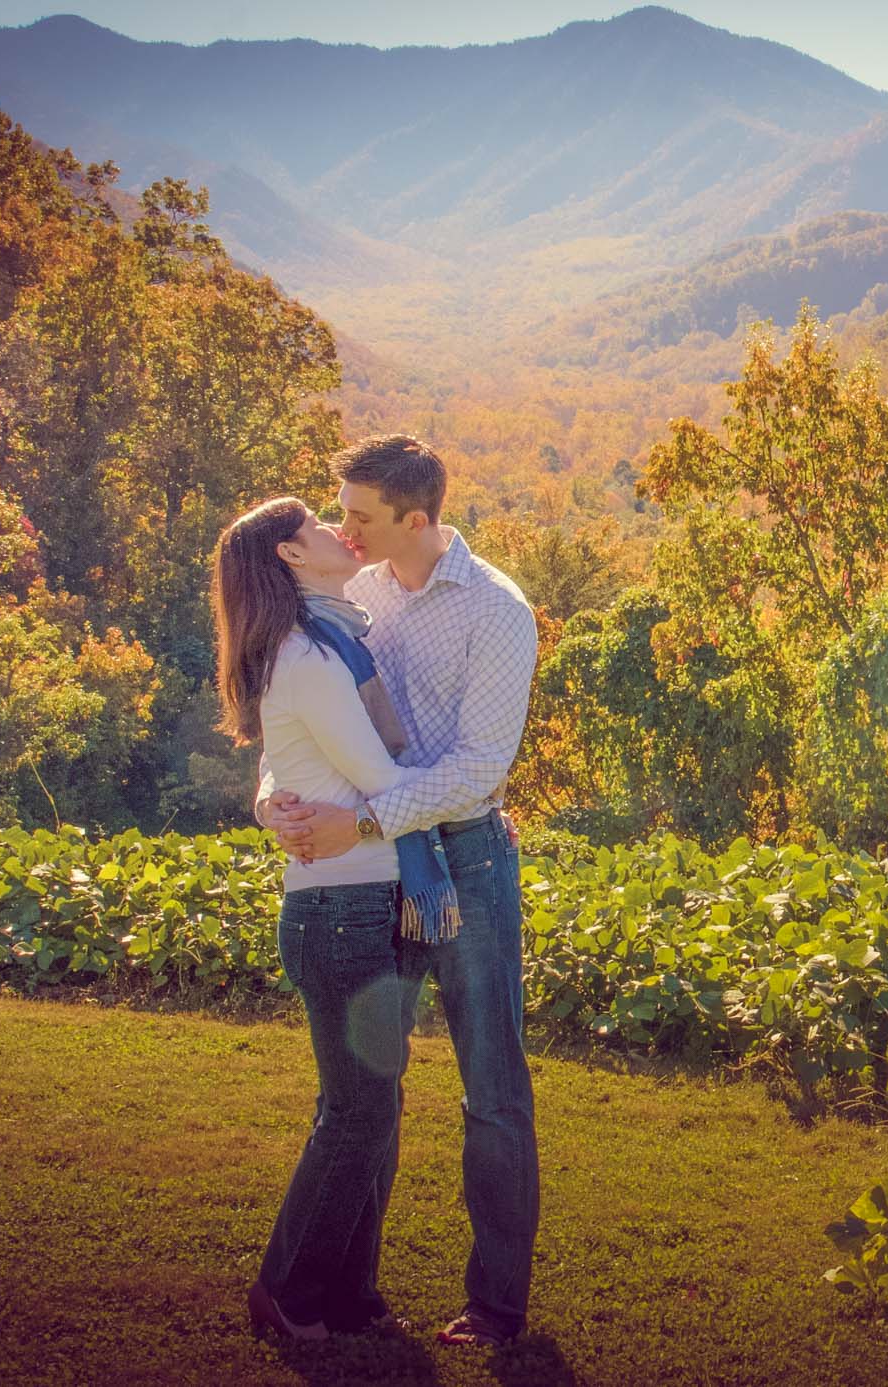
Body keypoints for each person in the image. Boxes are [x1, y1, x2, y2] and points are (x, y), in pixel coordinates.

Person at [259, 434, 541, 1351]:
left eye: (362, 516)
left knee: (491, 1090)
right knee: (371, 1087)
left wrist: (369, 821)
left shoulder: (497, 611)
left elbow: (476, 767)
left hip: (466, 862)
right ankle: (353, 1290)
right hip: (382, 871)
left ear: (416, 519)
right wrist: (274, 801)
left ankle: (497, 1307)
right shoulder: (356, 595)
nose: (344, 527)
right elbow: (291, 718)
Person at [210, 495, 428, 1341]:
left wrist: (271, 803)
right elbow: (382, 776)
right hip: (342, 910)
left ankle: (348, 1293)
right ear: (291, 557)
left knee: (372, 1103)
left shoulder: (334, 638)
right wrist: (474, 791)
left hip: (365, 902)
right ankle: (288, 1290)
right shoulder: (308, 656)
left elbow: (282, 768)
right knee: (359, 1110)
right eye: (315, 523)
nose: (339, 530)